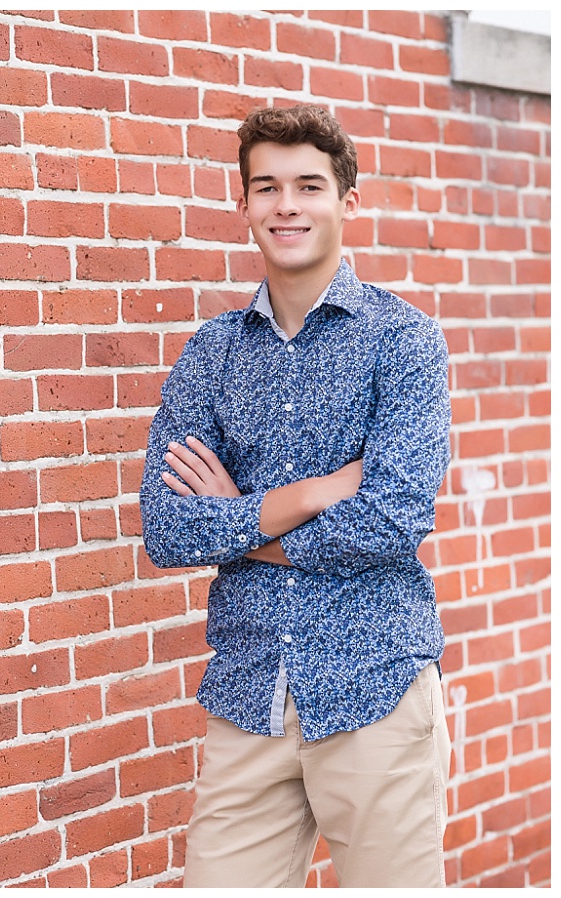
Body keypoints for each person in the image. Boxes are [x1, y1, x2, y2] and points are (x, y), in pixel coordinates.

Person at [139, 104, 451, 887]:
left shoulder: (404, 341)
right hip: (248, 696)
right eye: (266, 187)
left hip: (373, 688)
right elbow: (169, 529)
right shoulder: (212, 352)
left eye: (308, 185)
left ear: (347, 201)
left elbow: (393, 517)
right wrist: (315, 491)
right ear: (242, 205)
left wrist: (240, 521)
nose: (286, 205)